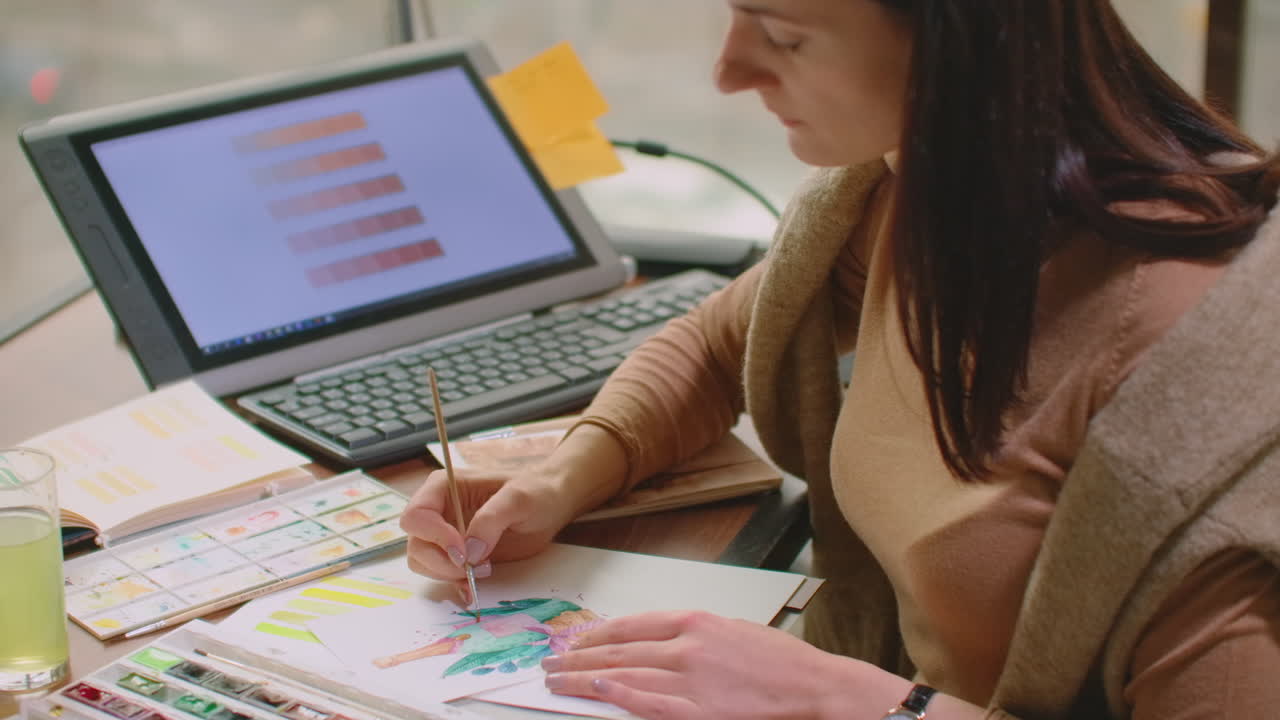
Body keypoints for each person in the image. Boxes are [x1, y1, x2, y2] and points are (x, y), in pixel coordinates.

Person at [400, 1, 1280, 717]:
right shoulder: (911, 197)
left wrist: (849, 700)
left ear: (962, 48)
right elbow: (715, 343)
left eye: (784, 35)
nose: (728, 71)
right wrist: (560, 478)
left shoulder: (1198, 400)